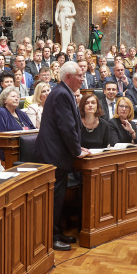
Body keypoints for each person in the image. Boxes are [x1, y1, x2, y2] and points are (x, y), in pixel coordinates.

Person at [36, 62, 89, 251]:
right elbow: (66, 127)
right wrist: (76, 151)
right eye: (80, 76)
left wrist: (77, 147)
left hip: (58, 155)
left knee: (59, 197)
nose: (83, 79)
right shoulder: (61, 94)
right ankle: (51, 237)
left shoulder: (63, 92)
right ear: (68, 77)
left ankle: (57, 233)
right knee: (55, 199)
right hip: (54, 157)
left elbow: (70, 127)